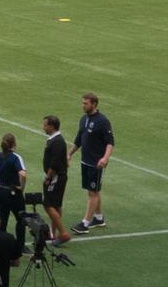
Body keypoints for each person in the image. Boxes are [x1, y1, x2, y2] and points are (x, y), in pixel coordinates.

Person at [69, 93, 114, 235]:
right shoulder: (83, 119)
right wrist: (69, 153)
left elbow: (110, 142)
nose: (83, 106)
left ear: (94, 104)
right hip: (85, 161)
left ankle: (85, 223)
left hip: (97, 163)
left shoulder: (103, 121)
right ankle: (99, 218)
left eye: (86, 103)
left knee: (92, 192)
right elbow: (79, 139)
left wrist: (105, 158)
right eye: (82, 103)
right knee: (93, 190)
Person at [0, 133, 27, 235]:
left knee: (2, 220)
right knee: (21, 219)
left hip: (0, 191)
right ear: (14, 144)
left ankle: (1, 245)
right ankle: (20, 246)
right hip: (12, 192)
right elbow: (23, 174)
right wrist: (21, 187)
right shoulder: (15, 157)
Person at [39, 115, 72, 245]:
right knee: (56, 205)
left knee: (48, 204)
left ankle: (63, 233)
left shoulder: (57, 141)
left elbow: (54, 162)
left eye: (45, 125)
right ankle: (54, 233)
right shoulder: (55, 140)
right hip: (58, 176)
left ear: (52, 126)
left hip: (55, 177)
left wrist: (48, 177)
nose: (43, 127)